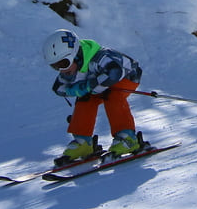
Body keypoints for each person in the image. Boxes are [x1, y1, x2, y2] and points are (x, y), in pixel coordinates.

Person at [41, 28, 145, 166]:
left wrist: (87, 86)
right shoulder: (70, 69)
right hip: (99, 84)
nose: (62, 70)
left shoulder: (101, 58)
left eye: (63, 63)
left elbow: (114, 72)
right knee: (84, 99)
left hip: (126, 78)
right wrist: (75, 90)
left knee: (112, 95)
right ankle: (83, 142)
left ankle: (127, 138)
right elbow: (58, 88)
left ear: (75, 54)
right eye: (56, 66)